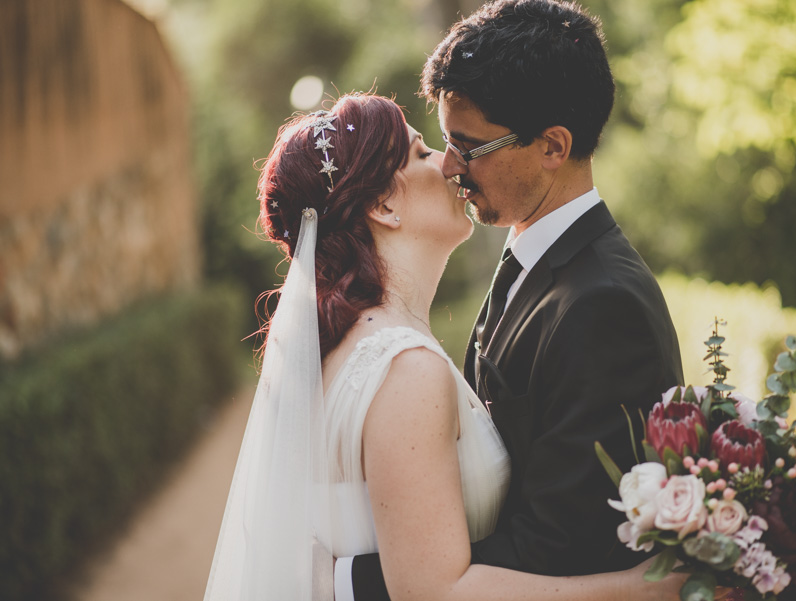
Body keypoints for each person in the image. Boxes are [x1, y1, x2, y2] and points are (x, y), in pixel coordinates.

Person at [203, 92, 689, 601]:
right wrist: (646, 590)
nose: (450, 162)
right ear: (384, 206)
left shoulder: (350, 348)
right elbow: (437, 592)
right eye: (421, 153)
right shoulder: (405, 368)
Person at [342, 0, 684, 599]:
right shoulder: (530, 251)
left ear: (552, 146)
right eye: (443, 142)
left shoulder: (606, 308)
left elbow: (557, 550)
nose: (448, 167)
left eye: (466, 147)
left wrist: (348, 580)